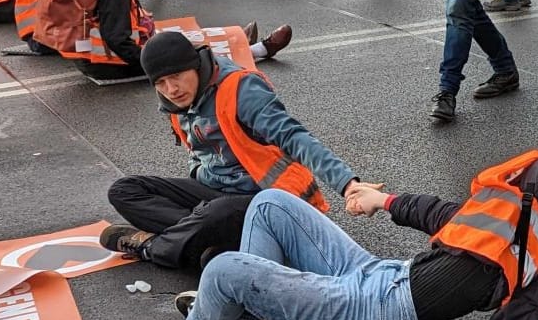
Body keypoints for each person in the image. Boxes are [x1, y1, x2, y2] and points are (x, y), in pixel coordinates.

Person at [167, 68, 538, 320]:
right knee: (272, 204)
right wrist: (382, 199)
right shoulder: (516, 217)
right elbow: (442, 215)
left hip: (363, 319)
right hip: (382, 277)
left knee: (225, 270)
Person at [102, 29, 362, 270]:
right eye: (160, 82)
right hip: (216, 192)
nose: (171, 89)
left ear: (195, 66)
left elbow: (295, 137)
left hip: (269, 200)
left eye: (176, 76)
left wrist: (347, 184)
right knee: (125, 190)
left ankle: (153, 248)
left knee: (217, 213)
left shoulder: (242, 89)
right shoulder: (174, 101)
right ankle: (206, 241)